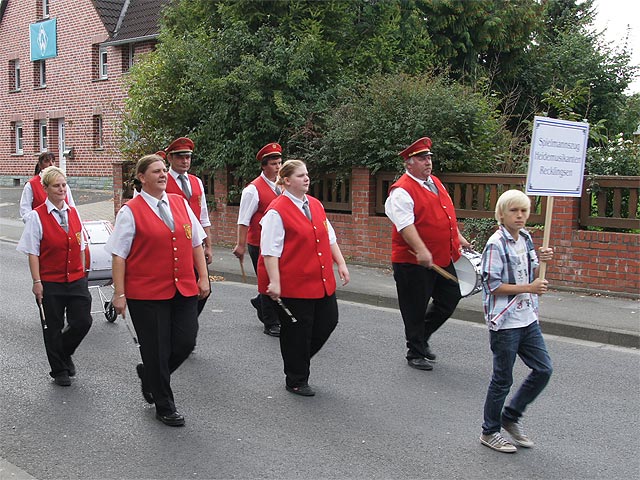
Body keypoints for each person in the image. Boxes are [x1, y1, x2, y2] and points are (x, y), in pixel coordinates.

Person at [104, 154, 210, 427]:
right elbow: (119, 255)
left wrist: (204, 278)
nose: (163, 175)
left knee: (186, 341)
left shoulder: (180, 203)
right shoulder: (131, 211)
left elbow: (196, 241)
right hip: (146, 294)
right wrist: (119, 293)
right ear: (142, 177)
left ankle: (151, 375)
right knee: (157, 349)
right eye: (156, 171)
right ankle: (164, 404)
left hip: (183, 287)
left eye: (164, 170)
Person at [258, 159, 350, 396]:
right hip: (294, 283)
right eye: (300, 176)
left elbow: (329, 237)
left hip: (321, 280)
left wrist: (340, 263)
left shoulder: (315, 205)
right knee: (297, 331)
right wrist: (275, 281)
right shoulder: (276, 211)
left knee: (328, 321)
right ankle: (296, 378)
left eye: (307, 174)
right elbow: (269, 250)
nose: (306, 179)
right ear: (286, 180)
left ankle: (297, 359)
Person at [384, 136, 471, 371]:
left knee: (450, 297)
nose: (428, 162)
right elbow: (405, 225)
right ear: (409, 163)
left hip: (442, 258)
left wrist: (459, 238)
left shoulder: (435, 183)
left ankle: (421, 338)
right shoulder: (401, 191)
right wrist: (421, 250)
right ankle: (415, 352)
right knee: (414, 306)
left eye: (429, 158)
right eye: (422, 158)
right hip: (412, 261)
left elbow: (444, 215)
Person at [479, 189, 554, 453]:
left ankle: (510, 416)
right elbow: (492, 285)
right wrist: (529, 288)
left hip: (527, 317)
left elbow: (531, 271)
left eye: (524, 210)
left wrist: (542, 261)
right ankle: (490, 431)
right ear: (502, 214)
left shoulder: (526, 238)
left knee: (544, 369)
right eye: (514, 210)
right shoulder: (495, 244)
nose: (520, 215)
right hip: (505, 320)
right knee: (502, 379)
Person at [17, 166, 92, 387]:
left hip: (76, 278)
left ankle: (64, 351)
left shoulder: (73, 212)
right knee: (53, 325)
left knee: (83, 321)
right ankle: (59, 369)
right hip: (50, 281)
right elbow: (33, 252)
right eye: (56, 186)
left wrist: (84, 272)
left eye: (63, 185)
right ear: (46, 189)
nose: (61, 189)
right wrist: (37, 282)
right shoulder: (36, 217)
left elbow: (81, 245)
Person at [233, 142, 283, 337]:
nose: (277, 167)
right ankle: (270, 322)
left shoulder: (283, 185)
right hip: (259, 243)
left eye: (279, 162)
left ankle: (259, 302)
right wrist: (240, 244)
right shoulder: (253, 190)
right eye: (273, 163)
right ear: (264, 166)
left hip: (279, 243)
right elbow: (243, 220)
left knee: (278, 279)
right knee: (266, 280)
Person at [164, 137, 212, 316]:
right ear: (170, 158)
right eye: (180, 157)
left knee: (204, 287)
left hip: (195, 243)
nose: (185, 161)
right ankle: (181, 319)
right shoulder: (162, 180)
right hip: (174, 242)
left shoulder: (196, 181)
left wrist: (209, 246)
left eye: (188, 157)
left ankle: (186, 318)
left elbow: (204, 217)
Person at [20, 152, 75, 221]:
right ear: (40, 165)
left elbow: (72, 207)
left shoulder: (63, 183)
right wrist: (35, 223)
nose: (51, 164)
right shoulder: (31, 185)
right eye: (47, 161)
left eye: (53, 161)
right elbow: (25, 211)